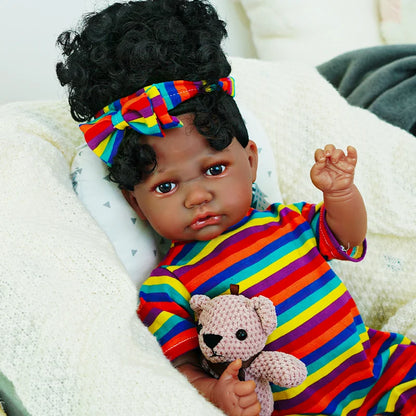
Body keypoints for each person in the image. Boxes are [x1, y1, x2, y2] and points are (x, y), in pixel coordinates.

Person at [56, 1, 416, 415]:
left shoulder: (286, 222)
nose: (196, 197)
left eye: (214, 169)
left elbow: (349, 238)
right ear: (134, 202)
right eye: (166, 185)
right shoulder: (169, 286)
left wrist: (340, 195)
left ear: (251, 162)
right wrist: (215, 394)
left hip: (379, 371)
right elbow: (181, 369)